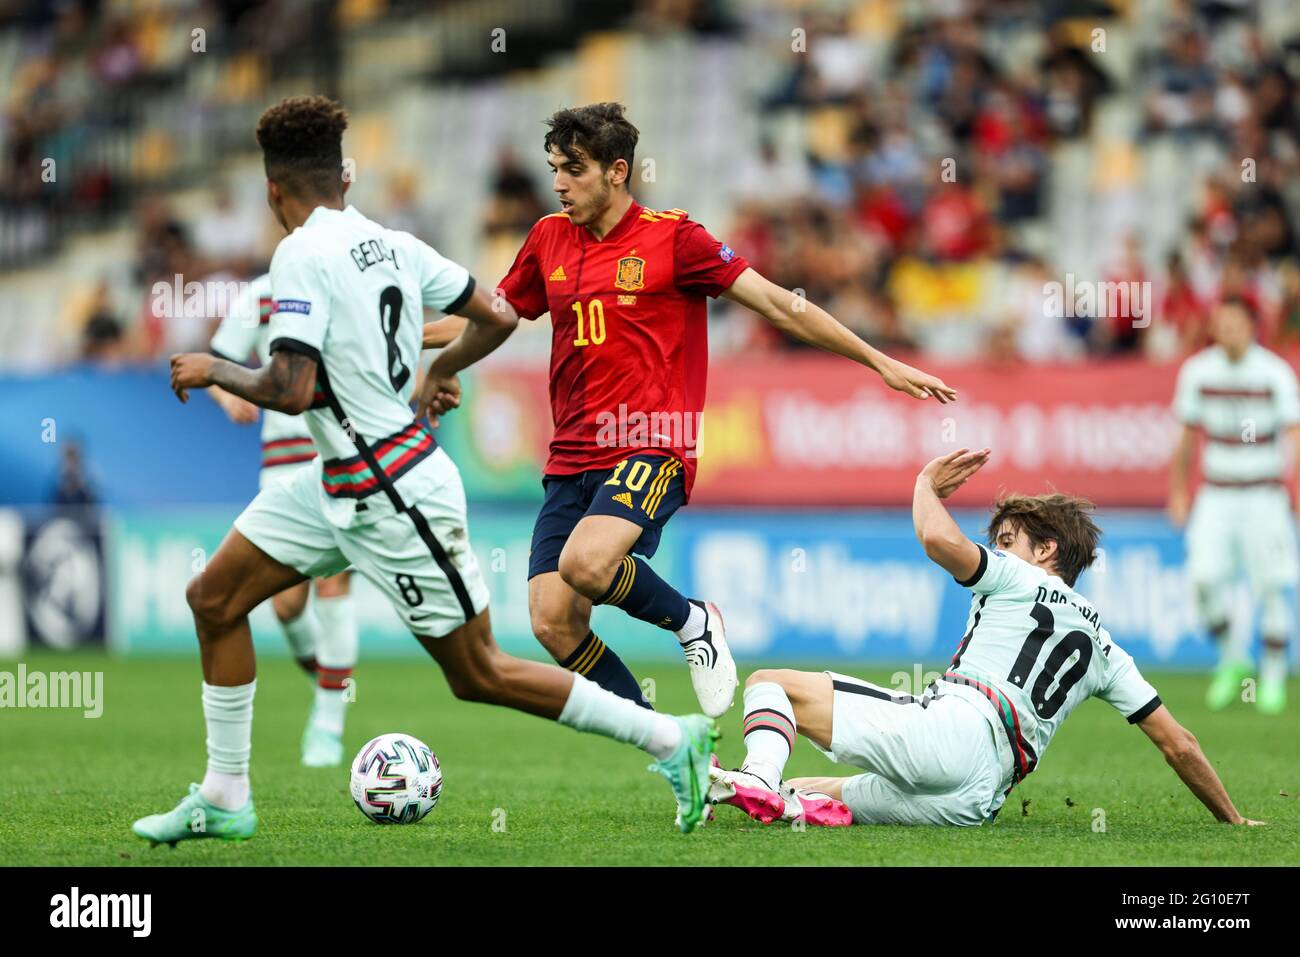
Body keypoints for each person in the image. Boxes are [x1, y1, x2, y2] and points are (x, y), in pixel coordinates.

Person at [134, 95, 719, 846]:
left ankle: (673, 738)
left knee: (479, 672)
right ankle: (223, 795)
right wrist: (441, 369)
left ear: (273, 189)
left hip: (393, 487)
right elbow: (499, 315)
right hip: (335, 477)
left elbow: (292, 388)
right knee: (214, 598)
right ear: (343, 177)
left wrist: (215, 366)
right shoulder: (390, 243)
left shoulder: (299, 254)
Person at [419, 102, 955, 720]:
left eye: (575, 169)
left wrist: (877, 360)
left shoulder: (675, 238)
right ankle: (668, 743)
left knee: (587, 564)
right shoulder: (547, 238)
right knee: (552, 621)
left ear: (618, 171)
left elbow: (781, 305)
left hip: (651, 441)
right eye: (555, 170)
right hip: (571, 452)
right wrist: (415, 340)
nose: (559, 184)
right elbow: (494, 316)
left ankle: (694, 621)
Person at [709, 449, 1263, 828]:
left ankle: (756, 774)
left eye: (1007, 540)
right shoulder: (1108, 649)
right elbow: (1179, 744)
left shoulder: (1019, 577)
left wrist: (924, 485)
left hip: (955, 732)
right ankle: (774, 795)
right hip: (978, 799)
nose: (997, 549)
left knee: (767, 684)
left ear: (1045, 552)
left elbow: (934, 536)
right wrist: (1232, 820)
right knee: (807, 787)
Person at [207, 272, 358, 766]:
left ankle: (328, 724)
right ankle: (332, 684)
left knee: (334, 586)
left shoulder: (343, 279)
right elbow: (219, 361)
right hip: (280, 463)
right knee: (287, 607)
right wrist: (230, 396)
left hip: (337, 454)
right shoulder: (263, 292)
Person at [1169, 297, 1298, 715]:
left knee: (1271, 587)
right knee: (1203, 581)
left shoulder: (1274, 373)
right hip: (1217, 492)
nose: (1228, 332)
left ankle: (1274, 677)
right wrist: (1178, 492)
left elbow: (1294, 435)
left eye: (1236, 324)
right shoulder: (1198, 371)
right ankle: (1233, 658)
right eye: (1221, 324)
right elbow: (1186, 439)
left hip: (1264, 493)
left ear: (1252, 327)